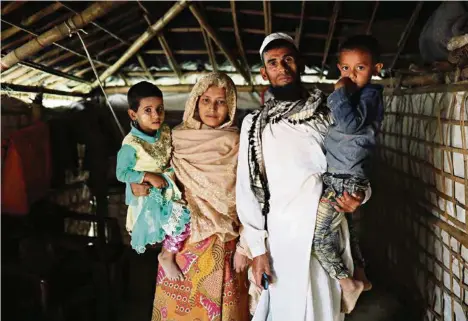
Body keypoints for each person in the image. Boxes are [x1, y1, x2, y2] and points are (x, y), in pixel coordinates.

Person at [236, 32, 370, 321]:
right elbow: (247, 190)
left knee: (325, 310)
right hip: (282, 236)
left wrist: (359, 196)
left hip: (327, 227)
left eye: (288, 60)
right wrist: (257, 250)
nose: (282, 68)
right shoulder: (255, 125)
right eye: (273, 63)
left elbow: (355, 161)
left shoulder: (332, 111)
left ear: (300, 65)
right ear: (264, 72)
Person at [131, 73, 250, 321]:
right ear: (195, 101)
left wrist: (246, 245)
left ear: (231, 104)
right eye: (206, 100)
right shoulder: (175, 137)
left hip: (226, 238)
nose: (212, 108)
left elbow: (250, 194)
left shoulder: (239, 141)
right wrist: (137, 183)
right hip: (183, 240)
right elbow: (153, 169)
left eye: (220, 101)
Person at [311, 34, 384, 313]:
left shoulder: (368, 96)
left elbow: (350, 125)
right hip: (339, 176)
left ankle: (346, 281)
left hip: (345, 179)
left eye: (360, 68)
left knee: (320, 239)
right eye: (345, 68)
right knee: (349, 233)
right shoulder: (357, 97)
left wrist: (339, 91)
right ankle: (362, 276)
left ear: (376, 69)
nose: (351, 75)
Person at [116, 81, 190, 281]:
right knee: (182, 221)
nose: (156, 115)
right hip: (151, 198)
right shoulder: (131, 144)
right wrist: (148, 176)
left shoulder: (165, 131)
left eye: (160, 109)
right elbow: (122, 173)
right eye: (148, 110)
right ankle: (166, 257)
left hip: (169, 187)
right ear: (133, 115)